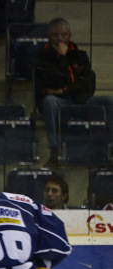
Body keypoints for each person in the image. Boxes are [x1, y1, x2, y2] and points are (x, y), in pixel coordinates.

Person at [34, 18, 113, 169]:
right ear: (49, 37)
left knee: (110, 101)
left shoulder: (80, 56)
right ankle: (54, 151)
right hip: (60, 103)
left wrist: (64, 90)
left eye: (63, 34)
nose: (60, 38)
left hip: (81, 100)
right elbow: (50, 80)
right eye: (56, 35)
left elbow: (88, 83)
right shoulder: (43, 58)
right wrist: (62, 58)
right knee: (49, 101)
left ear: (69, 35)